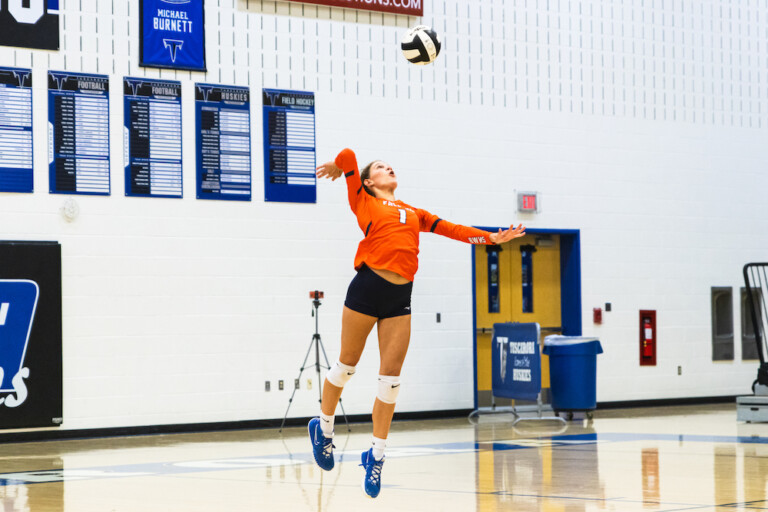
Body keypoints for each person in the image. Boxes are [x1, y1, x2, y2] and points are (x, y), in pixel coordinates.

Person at [309, 148, 526, 498]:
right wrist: (339, 167)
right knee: (347, 366)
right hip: (367, 288)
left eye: (389, 165)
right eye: (380, 167)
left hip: (399, 297)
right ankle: (324, 429)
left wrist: (490, 238)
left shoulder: (415, 213)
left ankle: (375, 455)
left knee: (391, 382)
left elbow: (453, 229)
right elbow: (348, 156)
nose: (388, 167)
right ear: (368, 181)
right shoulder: (363, 201)